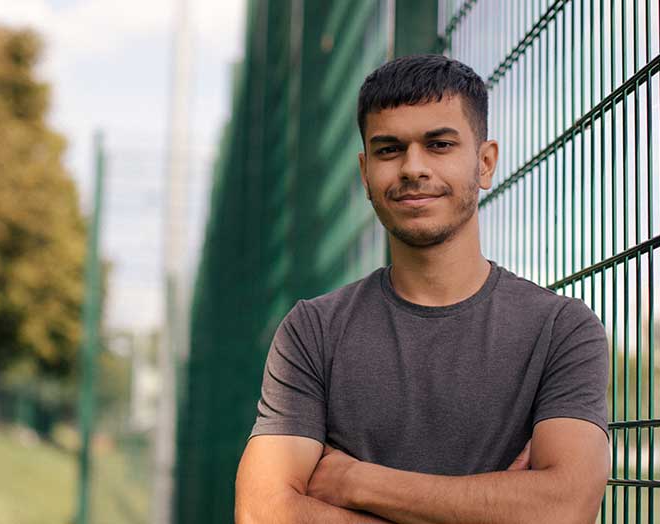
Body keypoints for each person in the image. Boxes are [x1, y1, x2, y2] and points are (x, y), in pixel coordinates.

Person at [234, 54, 610, 524]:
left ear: (485, 163)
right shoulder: (313, 330)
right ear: (365, 170)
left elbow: (564, 507)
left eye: (439, 144)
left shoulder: (560, 329)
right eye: (389, 149)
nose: (413, 167)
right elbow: (262, 513)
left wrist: (356, 482)